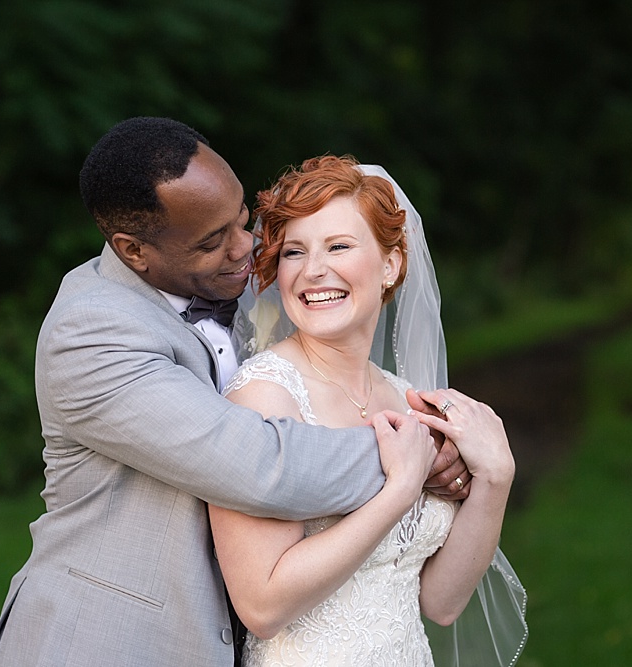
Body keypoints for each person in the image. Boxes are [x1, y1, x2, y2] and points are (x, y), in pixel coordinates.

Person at [0, 118, 470, 667]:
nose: (248, 248)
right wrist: (419, 452)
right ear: (133, 250)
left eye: (243, 221)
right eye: (214, 241)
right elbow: (260, 465)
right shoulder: (91, 333)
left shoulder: (232, 288)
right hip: (108, 643)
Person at [210, 155, 528, 666]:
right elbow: (262, 606)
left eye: (338, 246)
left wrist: (496, 476)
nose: (313, 270)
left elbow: (440, 603)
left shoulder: (406, 398)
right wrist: (399, 490)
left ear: (391, 264)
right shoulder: (266, 397)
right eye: (294, 251)